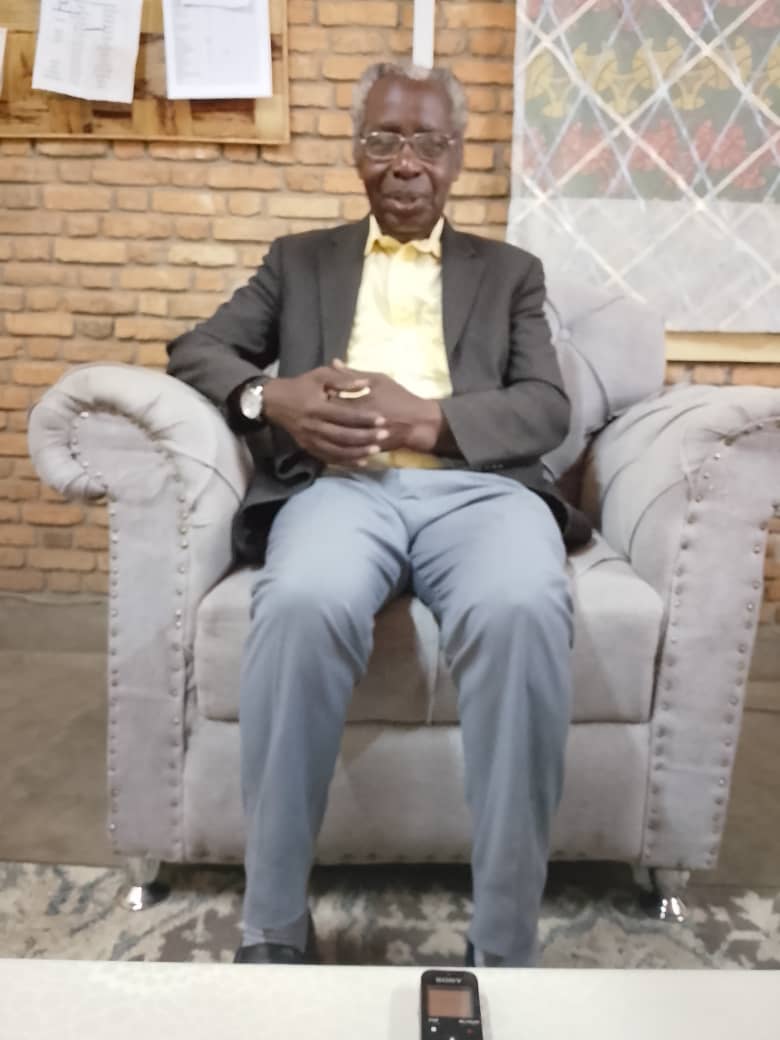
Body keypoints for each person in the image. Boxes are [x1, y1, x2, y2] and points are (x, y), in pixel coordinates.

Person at [167, 61, 589, 968]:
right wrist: (270, 398)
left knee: (522, 609)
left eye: (429, 143)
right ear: (358, 151)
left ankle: (504, 948)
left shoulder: (509, 273)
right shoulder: (299, 261)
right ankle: (274, 926)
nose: (407, 163)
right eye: (386, 139)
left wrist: (425, 420)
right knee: (300, 605)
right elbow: (198, 349)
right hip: (338, 489)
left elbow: (546, 407)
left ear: (457, 157)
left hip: (480, 492)